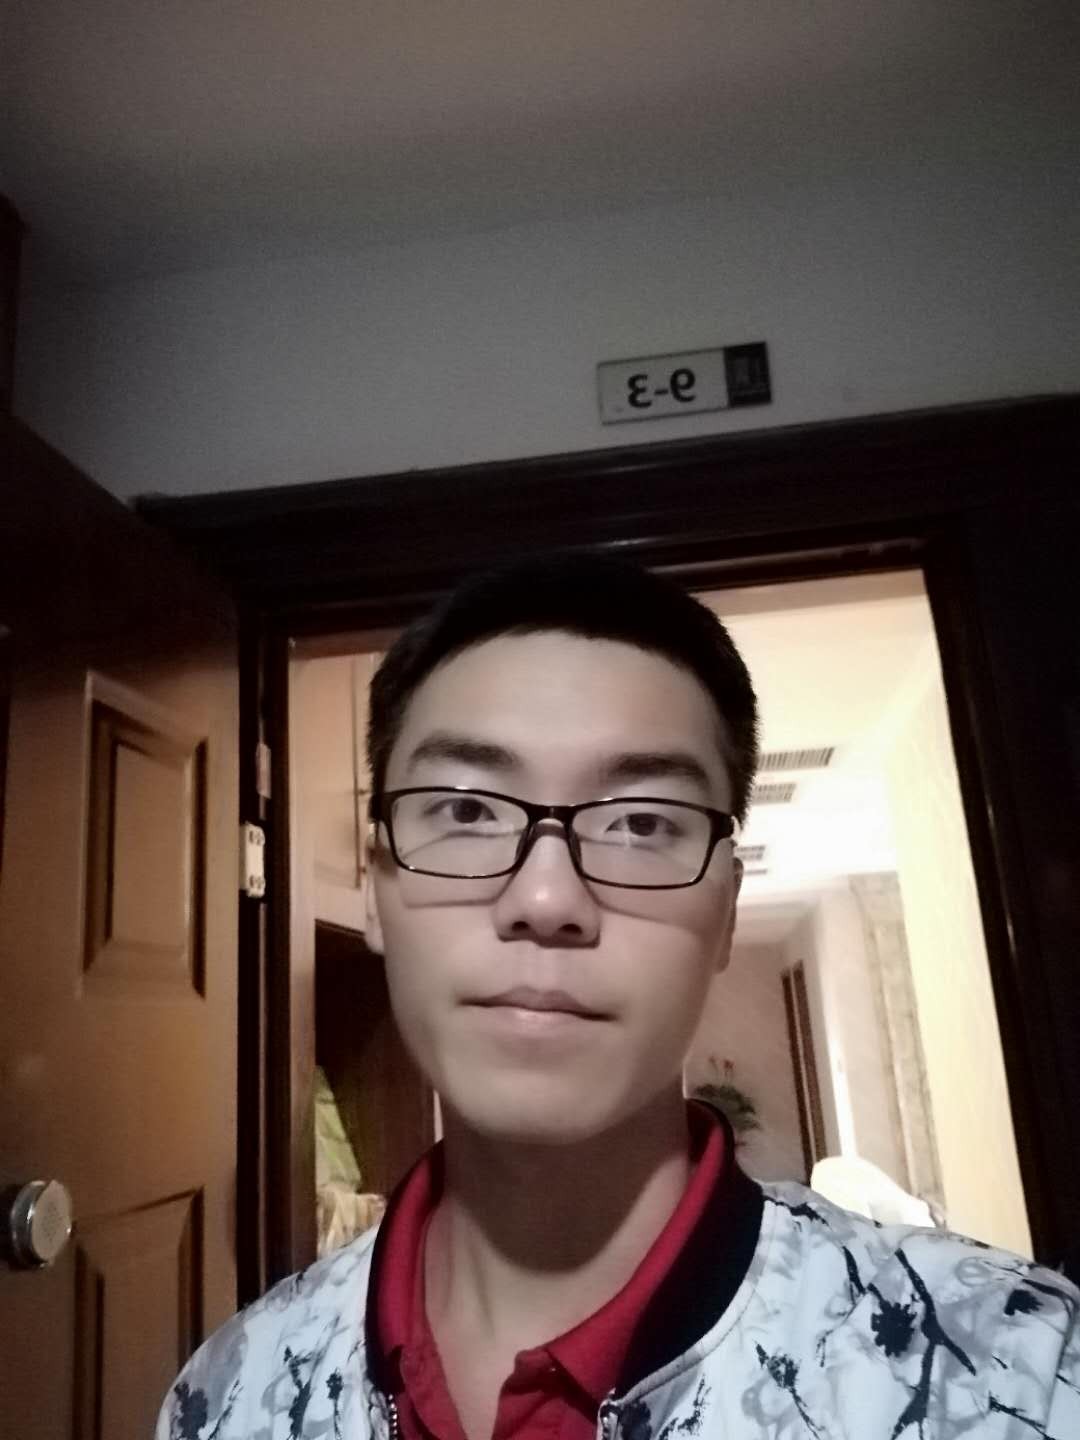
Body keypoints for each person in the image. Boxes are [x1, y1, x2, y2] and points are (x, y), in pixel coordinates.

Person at [157, 554, 1078, 1440]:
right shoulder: (229, 1394)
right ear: (377, 890)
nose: (546, 898)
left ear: (726, 909)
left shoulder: (1018, 1376)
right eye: (467, 810)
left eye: (640, 822)